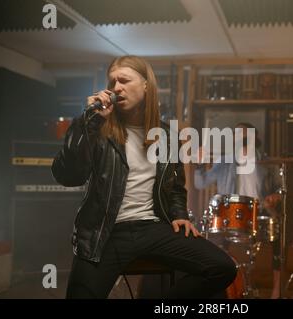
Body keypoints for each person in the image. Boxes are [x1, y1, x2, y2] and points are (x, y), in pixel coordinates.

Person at [51, 55, 237, 299]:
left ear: (146, 85)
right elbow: (68, 176)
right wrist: (88, 122)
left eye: (125, 80)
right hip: (105, 233)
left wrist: (179, 215)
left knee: (222, 268)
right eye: (113, 82)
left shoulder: (168, 135)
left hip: (152, 228)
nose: (117, 88)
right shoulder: (98, 129)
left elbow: (176, 186)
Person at [194, 122, 282, 299]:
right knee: (216, 244)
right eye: (237, 133)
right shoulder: (224, 162)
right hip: (231, 214)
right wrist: (199, 165)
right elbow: (200, 183)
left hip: (260, 213)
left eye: (245, 133)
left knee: (278, 238)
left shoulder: (266, 162)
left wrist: (274, 197)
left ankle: (276, 291)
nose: (240, 136)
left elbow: (279, 190)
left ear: (255, 138)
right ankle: (224, 289)